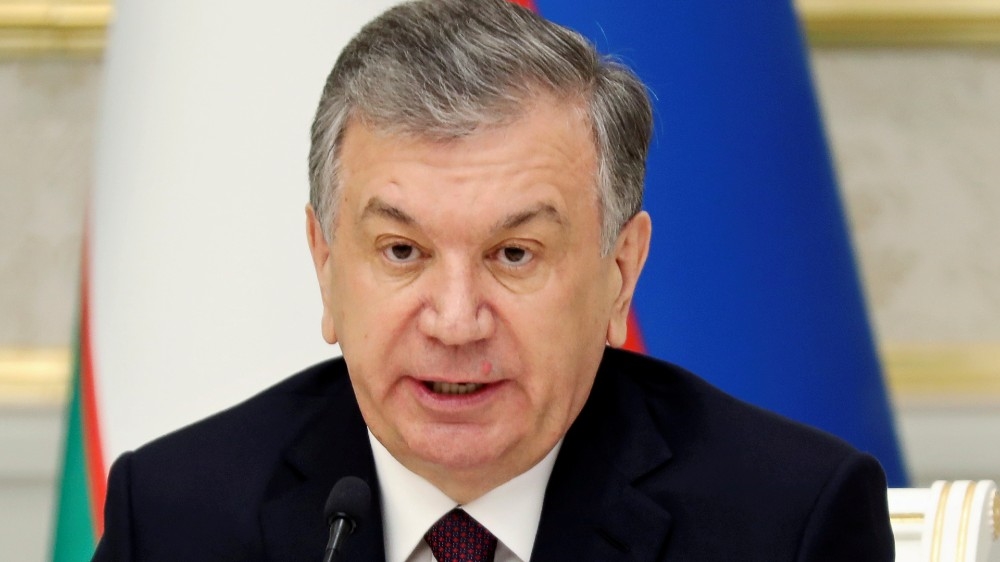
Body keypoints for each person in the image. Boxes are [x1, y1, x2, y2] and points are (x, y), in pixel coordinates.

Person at [93, 1, 894, 560]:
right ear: (326, 264)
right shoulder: (172, 518)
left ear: (620, 274)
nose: (454, 320)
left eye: (514, 255)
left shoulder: (786, 522)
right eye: (401, 251)